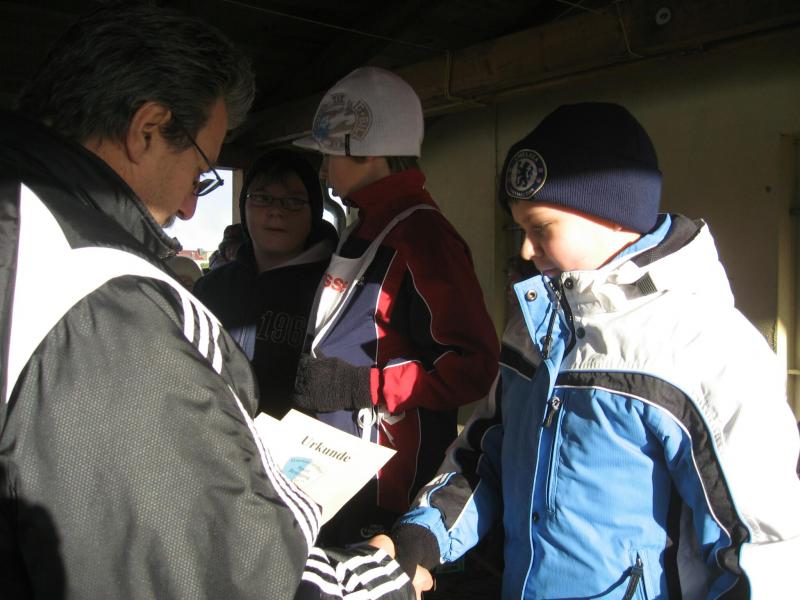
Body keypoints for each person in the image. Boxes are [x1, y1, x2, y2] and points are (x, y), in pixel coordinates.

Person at [0, 4, 425, 599]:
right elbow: (219, 571)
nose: (190, 208)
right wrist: (384, 580)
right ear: (147, 129)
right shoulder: (105, 303)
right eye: (202, 170)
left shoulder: (24, 225)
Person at [379, 103, 800, 599]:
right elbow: (485, 455)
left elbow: (760, 549)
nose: (526, 250)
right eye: (520, 231)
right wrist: (420, 538)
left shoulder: (704, 347)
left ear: (613, 217)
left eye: (541, 228)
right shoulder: (535, 327)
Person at [292, 66, 500, 545]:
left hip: (386, 488)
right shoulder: (366, 226)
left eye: (328, 155)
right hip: (338, 471)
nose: (323, 170)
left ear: (365, 151)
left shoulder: (422, 235)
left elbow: (475, 365)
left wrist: (363, 385)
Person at [194, 149, 338, 418]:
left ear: (313, 212)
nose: (275, 211)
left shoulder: (333, 293)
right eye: (262, 198)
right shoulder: (209, 289)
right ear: (244, 207)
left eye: (293, 201)